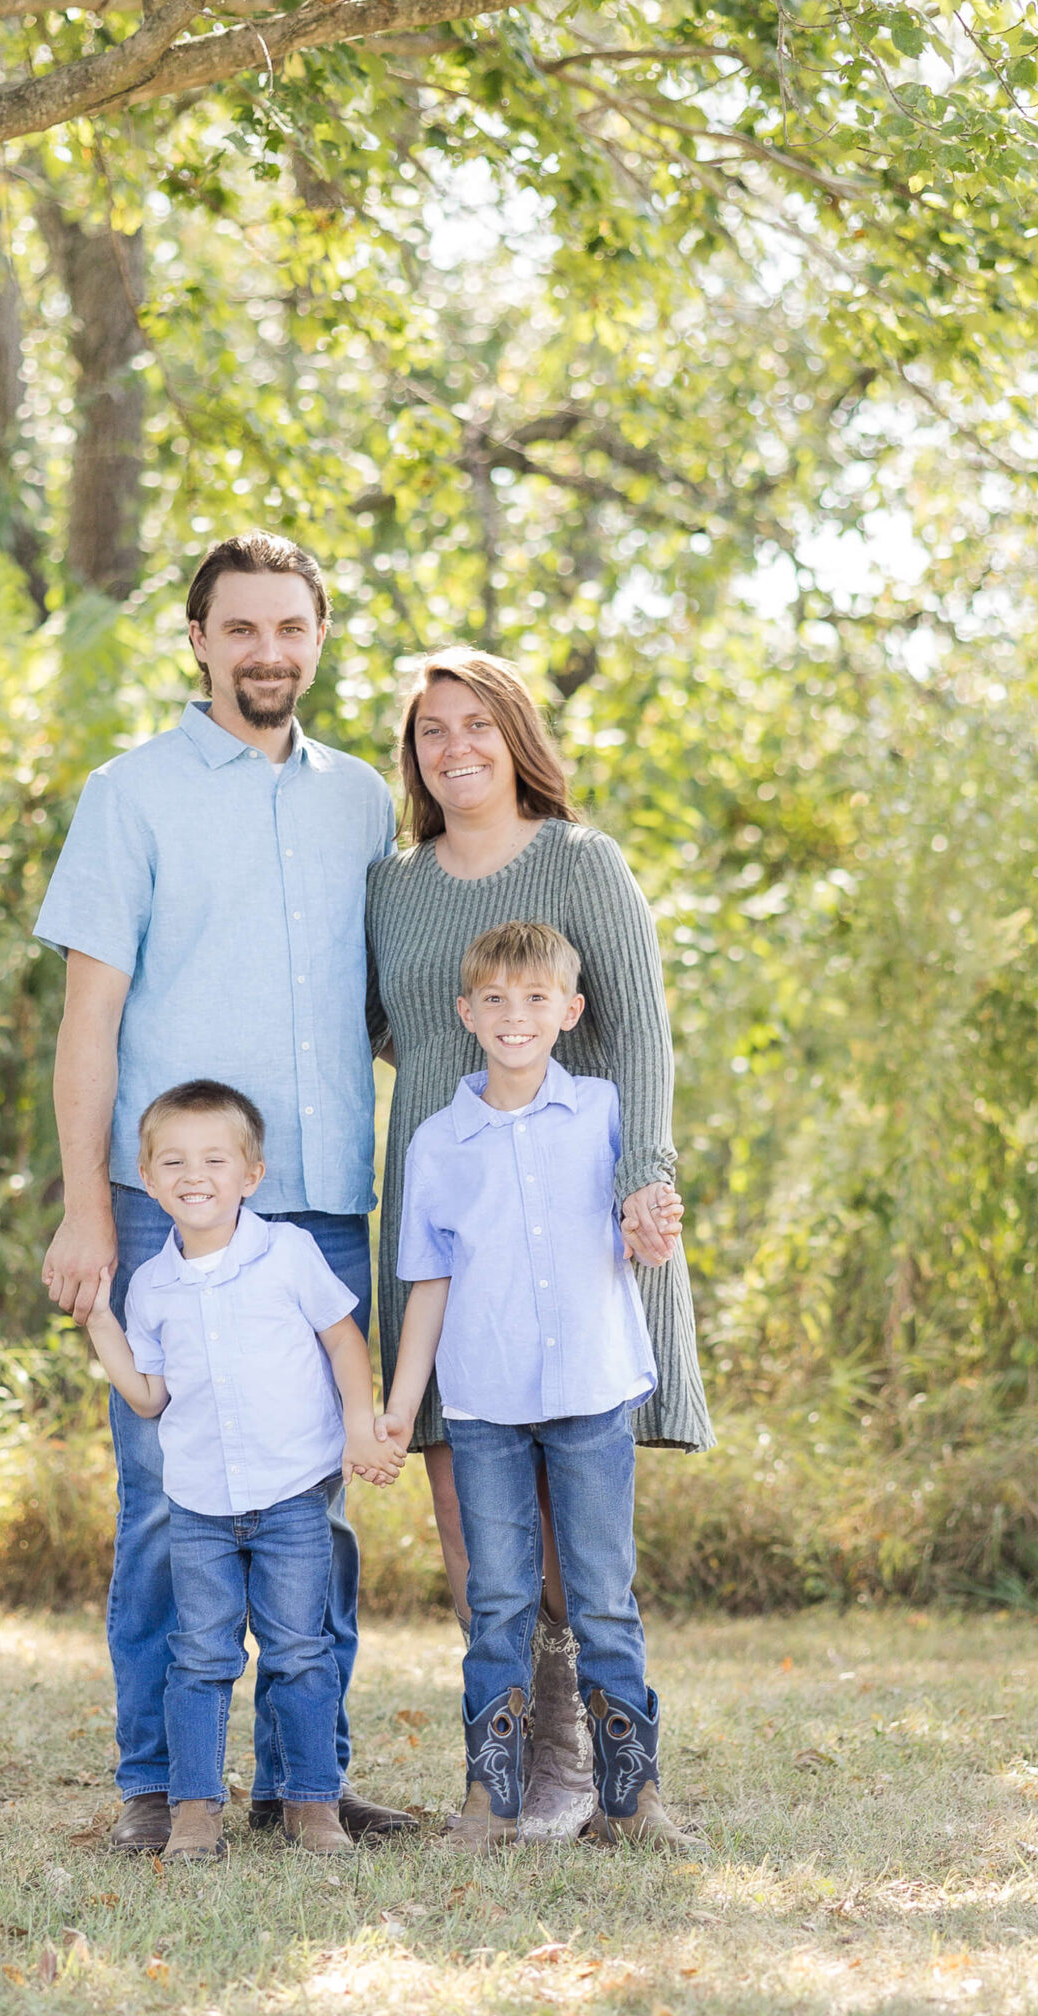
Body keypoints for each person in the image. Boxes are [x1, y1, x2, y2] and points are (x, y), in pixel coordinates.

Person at [35, 532, 418, 1853]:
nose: (268, 652)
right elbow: (89, 1024)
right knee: (166, 1497)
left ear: (319, 639)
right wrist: (88, 1203)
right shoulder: (128, 795)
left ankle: (308, 1781)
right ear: (197, 640)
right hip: (172, 1211)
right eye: (241, 628)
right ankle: (161, 1784)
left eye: (291, 629)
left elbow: (391, 1001)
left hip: (317, 1197)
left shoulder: (363, 799)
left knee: (312, 1504)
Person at [365, 647, 715, 1841]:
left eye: (474, 723)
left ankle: (590, 1770)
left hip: (575, 1206)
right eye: (429, 731)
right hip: (447, 1193)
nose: (452, 748)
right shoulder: (395, 884)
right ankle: (509, 1769)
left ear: (514, 733)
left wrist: (642, 1180)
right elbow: (389, 1028)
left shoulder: (580, 861)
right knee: (469, 1505)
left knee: (576, 1520)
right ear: (411, 755)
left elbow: (644, 1036)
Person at [383, 920, 700, 1849]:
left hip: (593, 1394)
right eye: (494, 1000)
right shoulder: (440, 1142)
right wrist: (403, 1407)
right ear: (465, 1013)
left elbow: (643, 1224)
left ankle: (631, 1802)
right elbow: (428, 1282)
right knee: (500, 1599)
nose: (513, 1016)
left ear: (571, 1010)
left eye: (534, 999)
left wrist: (654, 1231)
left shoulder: (605, 1113)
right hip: (485, 1404)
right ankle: (493, 1800)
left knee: (602, 1592)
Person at [80, 1081, 405, 1861]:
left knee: (300, 1650)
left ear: (250, 1174)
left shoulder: (287, 1253)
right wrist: (99, 1319)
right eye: (175, 1161)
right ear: (149, 1178)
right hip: (199, 1509)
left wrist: (360, 1426)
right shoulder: (151, 1285)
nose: (196, 1174)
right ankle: (195, 1811)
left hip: (293, 1495)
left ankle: (311, 1805)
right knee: (201, 1657)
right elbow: (149, 1396)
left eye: (215, 1159)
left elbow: (343, 1339)